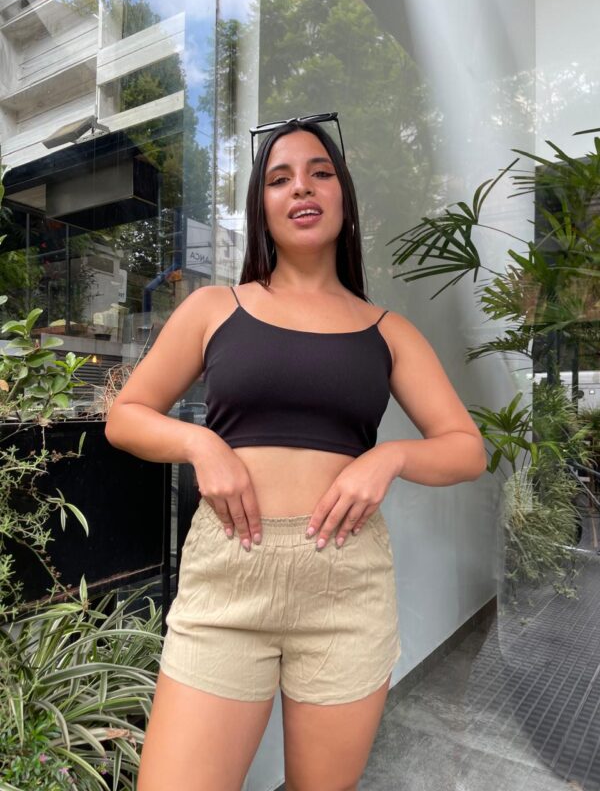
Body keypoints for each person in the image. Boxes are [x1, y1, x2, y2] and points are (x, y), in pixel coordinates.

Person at [105, 113, 487, 791]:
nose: (301, 188)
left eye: (320, 173)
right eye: (279, 179)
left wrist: (387, 459)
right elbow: (125, 417)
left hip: (345, 586)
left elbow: (467, 450)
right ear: (262, 208)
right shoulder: (214, 308)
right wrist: (200, 443)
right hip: (228, 581)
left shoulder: (388, 331)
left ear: (343, 198)